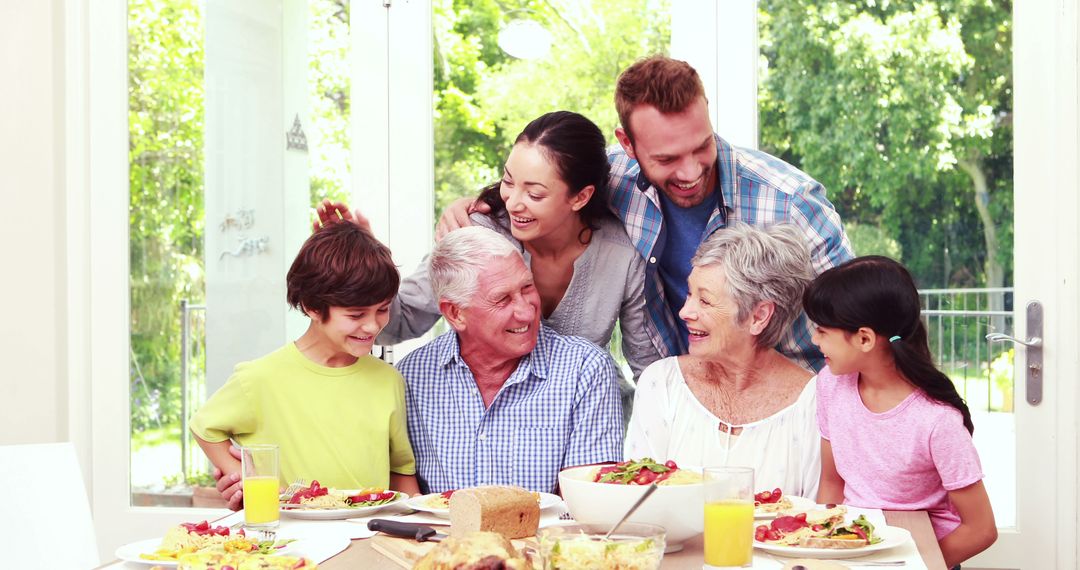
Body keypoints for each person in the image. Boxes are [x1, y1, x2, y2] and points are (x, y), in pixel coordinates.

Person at [437, 56, 853, 370]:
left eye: (702, 146)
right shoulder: (610, 178)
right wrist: (476, 205)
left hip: (798, 395)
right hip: (689, 396)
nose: (691, 172)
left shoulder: (793, 204)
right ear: (628, 144)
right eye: (667, 158)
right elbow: (541, 185)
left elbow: (859, 322)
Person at [193, 222, 420, 509]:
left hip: (367, 537)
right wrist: (244, 477)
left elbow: (400, 471)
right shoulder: (260, 378)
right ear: (312, 306)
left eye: (383, 310)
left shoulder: (388, 381)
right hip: (292, 539)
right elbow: (205, 428)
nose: (372, 325)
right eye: (355, 314)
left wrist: (416, 523)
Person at [396, 225, 623, 494]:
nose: (527, 313)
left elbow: (588, 498)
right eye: (502, 299)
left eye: (527, 287)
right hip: (443, 536)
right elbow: (403, 490)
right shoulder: (412, 375)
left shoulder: (585, 369)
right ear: (455, 313)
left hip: (549, 536)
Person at [805, 256, 997, 567]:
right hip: (855, 554)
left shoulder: (937, 421)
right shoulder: (830, 385)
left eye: (822, 331)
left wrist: (917, 565)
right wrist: (824, 552)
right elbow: (832, 483)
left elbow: (981, 529)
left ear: (864, 338)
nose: (814, 341)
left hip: (919, 558)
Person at [624, 223, 820, 498]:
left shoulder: (813, 403)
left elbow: (820, 524)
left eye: (705, 301)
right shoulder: (662, 383)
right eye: (690, 294)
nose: (685, 312)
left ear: (758, 316)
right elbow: (637, 501)